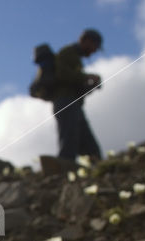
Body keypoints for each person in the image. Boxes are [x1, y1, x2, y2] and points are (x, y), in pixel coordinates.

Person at [52, 28, 103, 162]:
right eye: (95, 46)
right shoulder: (67, 53)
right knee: (69, 140)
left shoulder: (76, 58)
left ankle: (95, 164)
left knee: (87, 143)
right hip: (65, 102)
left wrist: (89, 85)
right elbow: (62, 75)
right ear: (86, 41)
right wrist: (86, 77)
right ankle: (63, 168)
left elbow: (75, 83)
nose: (94, 51)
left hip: (73, 104)